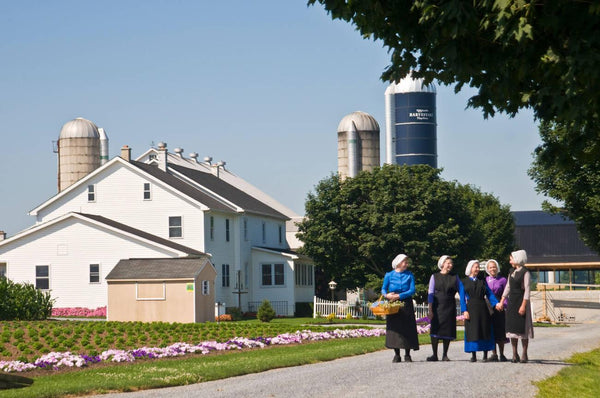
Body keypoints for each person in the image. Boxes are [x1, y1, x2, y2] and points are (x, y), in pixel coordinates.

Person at [496, 249, 534, 363]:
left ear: (518, 259)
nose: (509, 260)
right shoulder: (511, 271)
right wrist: (502, 301)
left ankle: (524, 353)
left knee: (522, 329)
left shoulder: (525, 272)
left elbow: (527, 290)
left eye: (511, 258)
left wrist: (523, 305)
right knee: (512, 329)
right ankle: (514, 353)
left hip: (521, 301)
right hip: (512, 302)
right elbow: (508, 286)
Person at [381, 253, 420, 362]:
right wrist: (387, 295)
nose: (406, 264)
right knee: (395, 328)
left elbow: (412, 290)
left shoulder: (409, 275)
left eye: (407, 262)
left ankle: (407, 354)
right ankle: (396, 354)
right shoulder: (389, 275)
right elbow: (383, 289)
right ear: (398, 263)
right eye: (405, 262)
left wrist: (400, 295)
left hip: (406, 303)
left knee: (407, 328)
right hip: (393, 303)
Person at [460, 260, 499, 362]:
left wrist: (496, 303)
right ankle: (473, 355)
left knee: (484, 329)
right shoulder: (463, 282)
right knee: (473, 331)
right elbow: (462, 298)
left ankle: (485, 355)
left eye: (478, 267)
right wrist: (464, 311)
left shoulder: (482, 281)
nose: (477, 269)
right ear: (470, 268)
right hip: (471, 308)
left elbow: (489, 294)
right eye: (475, 267)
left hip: (483, 308)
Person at [427, 255, 460, 361]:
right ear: (442, 264)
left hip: (449, 305)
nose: (450, 265)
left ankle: (445, 354)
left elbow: (461, 290)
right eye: (448, 263)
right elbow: (430, 293)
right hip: (437, 305)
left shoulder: (455, 277)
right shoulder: (434, 276)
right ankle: (434, 354)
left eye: (451, 263)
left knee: (448, 329)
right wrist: (430, 309)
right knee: (435, 329)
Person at [485, 259, 508, 361]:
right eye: (490, 267)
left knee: (500, 330)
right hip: (489, 306)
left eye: (494, 267)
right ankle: (494, 354)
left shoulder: (503, 280)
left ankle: (502, 354)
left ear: (497, 267)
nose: (492, 269)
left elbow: (506, 293)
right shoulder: (485, 280)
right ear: (487, 269)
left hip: (500, 305)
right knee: (491, 330)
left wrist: (503, 304)